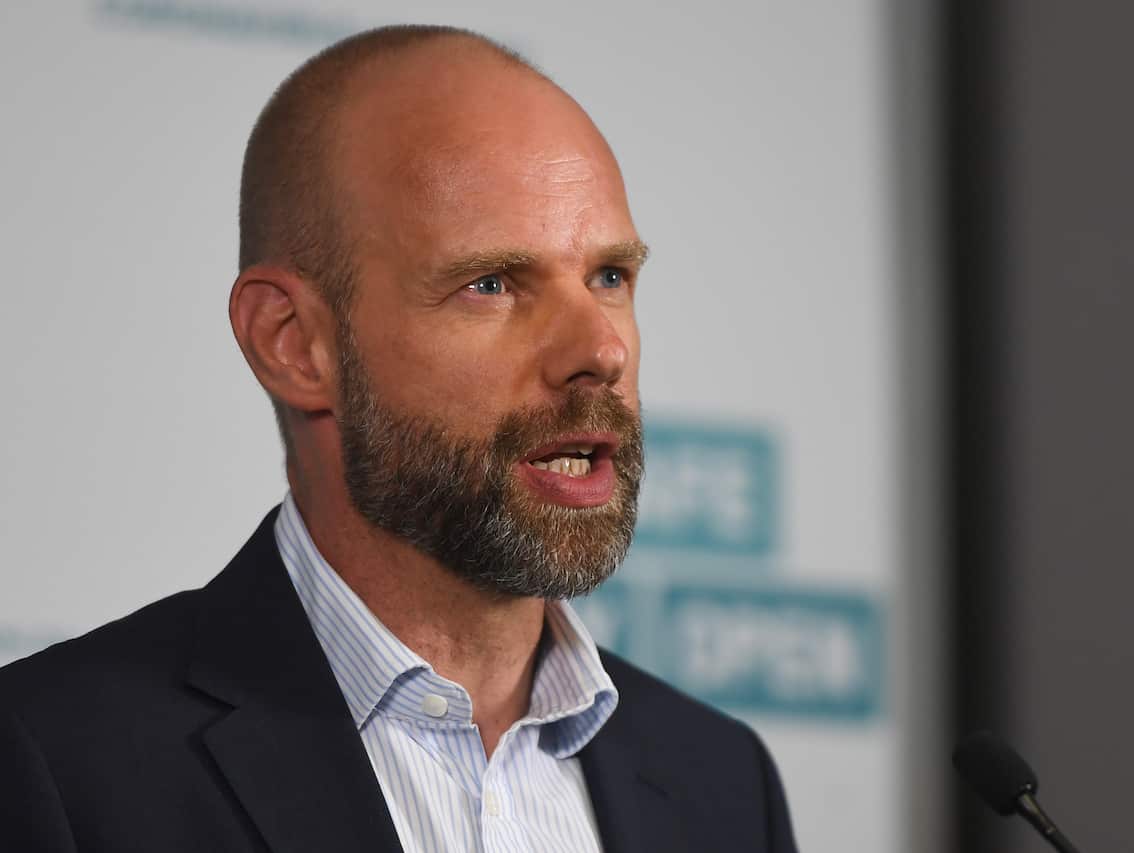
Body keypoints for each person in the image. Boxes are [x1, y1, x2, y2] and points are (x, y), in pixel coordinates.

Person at [0, 24, 796, 853]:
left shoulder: (724, 782)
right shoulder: (56, 763)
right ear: (293, 342)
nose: (600, 350)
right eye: (491, 284)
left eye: (609, 277)